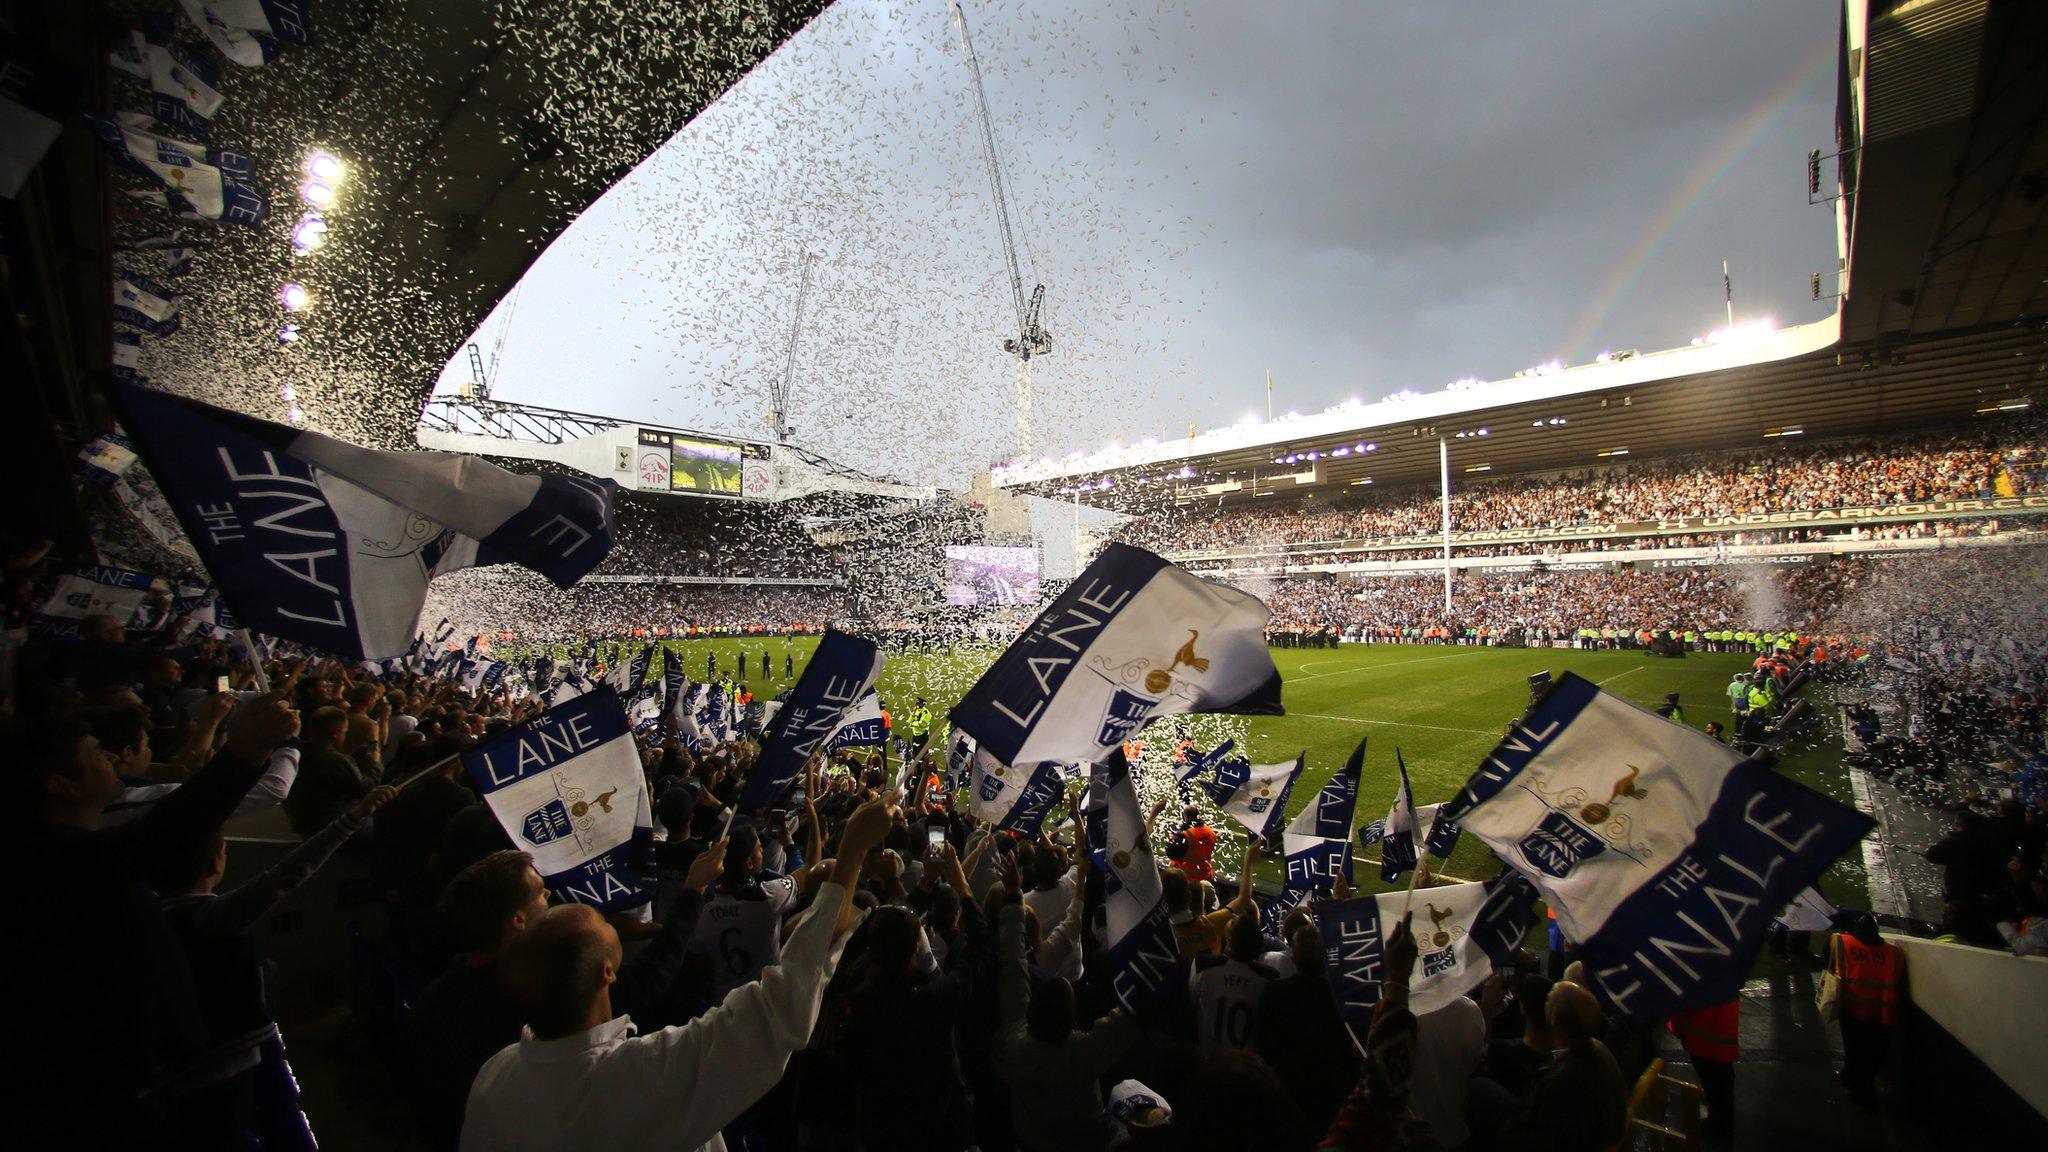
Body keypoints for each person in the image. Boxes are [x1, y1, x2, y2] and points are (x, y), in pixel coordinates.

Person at [458, 794, 897, 1151]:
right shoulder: (635, 1081)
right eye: (602, 925)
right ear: (607, 972)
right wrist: (853, 850)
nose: (612, 921)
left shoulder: (494, 1076)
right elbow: (780, 1012)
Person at [1502, 981, 1628, 1151]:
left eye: (1549, 999)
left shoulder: (1560, 1080)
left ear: (1553, 1018)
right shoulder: (1597, 1048)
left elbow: (1530, 1134)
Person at [1827, 910, 1905, 1108]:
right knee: (1871, 1054)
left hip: (1853, 1008)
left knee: (1855, 1050)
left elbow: (1828, 962)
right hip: (1884, 1014)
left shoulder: (1842, 942)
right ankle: (1857, 1083)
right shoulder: (1894, 953)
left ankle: (1858, 1090)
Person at [1191, 914, 1278, 1051]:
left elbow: (1191, 1003)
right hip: (1246, 1063)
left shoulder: (1203, 965)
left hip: (1208, 1058)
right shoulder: (1268, 978)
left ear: (1229, 941)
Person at [284, 705, 372, 837]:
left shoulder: (297, 752)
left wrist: (350, 759)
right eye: (344, 732)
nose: (345, 736)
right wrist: (375, 763)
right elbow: (367, 789)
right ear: (336, 734)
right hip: (328, 826)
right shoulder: (333, 759)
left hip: (301, 821)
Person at [1667, 997, 1738, 1138]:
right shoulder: (1725, 979)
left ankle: (1719, 1124)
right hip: (1718, 1030)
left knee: (1714, 1078)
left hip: (1702, 1034)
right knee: (1720, 1077)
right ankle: (1721, 1114)